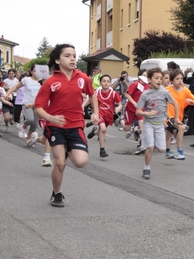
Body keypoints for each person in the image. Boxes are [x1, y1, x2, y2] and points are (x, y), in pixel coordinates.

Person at [35, 44, 99, 207]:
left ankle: (67, 147)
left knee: (80, 162)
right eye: (67, 56)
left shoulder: (83, 78)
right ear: (57, 60)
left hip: (76, 125)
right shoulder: (50, 82)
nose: (72, 59)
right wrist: (51, 118)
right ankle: (56, 193)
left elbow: (92, 94)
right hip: (55, 126)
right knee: (60, 163)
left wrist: (96, 113)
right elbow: (39, 107)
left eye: (74, 56)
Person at [136, 67, 181, 180]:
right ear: (149, 79)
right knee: (150, 147)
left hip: (160, 124)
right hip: (149, 123)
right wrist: (149, 113)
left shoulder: (165, 92)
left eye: (161, 78)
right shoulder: (145, 94)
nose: (159, 80)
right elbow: (138, 111)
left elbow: (175, 104)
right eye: (156, 78)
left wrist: (176, 119)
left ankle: (148, 141)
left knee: (161, 150)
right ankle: (146, 168)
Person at [165, 69, 194, 160]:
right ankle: (179, 151)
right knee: (182, 128)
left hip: (178, 116)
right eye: (177, 79)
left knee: (169, 133)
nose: (180, 80)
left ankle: (167, 151)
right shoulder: (167, 90)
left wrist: (191, 101)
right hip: (169, 116)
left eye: (181, 78)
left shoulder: (185, 90)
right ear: (172, 81)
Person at [5, 65, 41, 146]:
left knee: (34, 124)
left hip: (37, 105)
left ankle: (28, 139)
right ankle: (23, 126)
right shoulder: (26, 80)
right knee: (30, 119)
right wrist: (7, 93)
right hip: (26, 103)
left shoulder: (42, 81)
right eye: (35, 71)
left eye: (38, 71)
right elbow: (16, 87)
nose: (36, 73)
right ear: (31, 72)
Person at [87, 74, 122, 157]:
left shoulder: (113, 93)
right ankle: (102, 150)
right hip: (99, 114)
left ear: (110, 83)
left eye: (108, 81)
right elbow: (89, 100)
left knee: (101, 131)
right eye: (104, 81)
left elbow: (120, 104)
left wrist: (118, 108)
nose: (106, 83)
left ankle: (94, 132)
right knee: (103, 129)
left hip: (108, 116)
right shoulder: (97, 92)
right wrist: (81, 106)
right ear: (100, 83)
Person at [120, 75, 149, 154]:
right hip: (130, 109)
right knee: (126, 128)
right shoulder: (135, 84)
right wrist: (134, 103)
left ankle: (140, 145)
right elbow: (127, 94)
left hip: (140, 110)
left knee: (142, 127)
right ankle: (122, 121)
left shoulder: (148, 86)